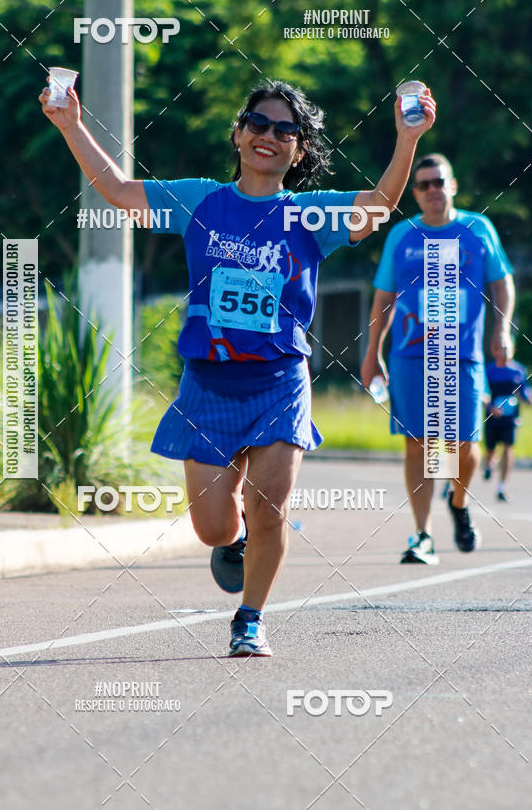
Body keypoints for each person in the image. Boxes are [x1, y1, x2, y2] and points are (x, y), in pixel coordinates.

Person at [40, 76, 435, 656]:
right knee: (214, 528)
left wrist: (407, 138)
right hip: (208, 382)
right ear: (239, 133)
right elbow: (120, 191)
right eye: (257, 124)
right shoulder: (201, 201)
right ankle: (236, 540)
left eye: (284, 130)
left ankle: (250, 617)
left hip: (278, 380)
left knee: (271, 504)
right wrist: (72, 124)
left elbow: (375, 207)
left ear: (299, 150)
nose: (268, 136)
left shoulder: (308, 216)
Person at [361, 153, 515, 564]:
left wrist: (501, 330)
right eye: (424, 184)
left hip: (463, 357)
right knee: (420, 447)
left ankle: (460, 502)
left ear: (453, 185)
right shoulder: (402, 235)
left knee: (463, 445)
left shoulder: (477, 229)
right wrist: (372, 352)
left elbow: (503, 285)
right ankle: (421, 535)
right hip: (411, 356)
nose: (432, 190)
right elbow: (383, 299)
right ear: (414, 193)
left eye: (439, 181)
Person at [483, 357, 531, 501]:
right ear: (495, 350)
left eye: (507, 349)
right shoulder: (489, 370)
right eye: (500, 349)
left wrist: (528, 401)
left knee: (508, 448)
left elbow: (524, 392)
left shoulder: (518, 370)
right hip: (492, 418)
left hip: (510, 419)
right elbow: (483, 392)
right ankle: (489, 464)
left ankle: (502, 487)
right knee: (491, 449)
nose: (503, 352)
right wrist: (490, 407)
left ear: (512, 351)